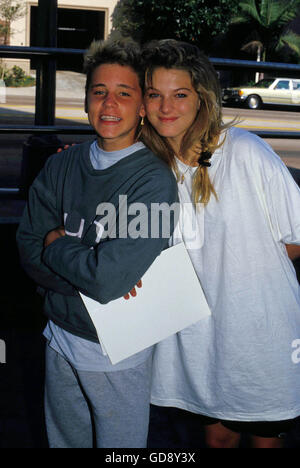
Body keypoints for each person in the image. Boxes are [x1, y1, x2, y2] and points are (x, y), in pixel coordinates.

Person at [16, 39, 178, 448]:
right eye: (99, 92)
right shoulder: (61, 164)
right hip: (59, 336)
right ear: (87, 100)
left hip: (116, 351)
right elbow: (28, 246)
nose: (110, 103)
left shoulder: (153, 182)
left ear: (143, 107)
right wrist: (89, 276)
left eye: (124, 93)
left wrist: (59, 248)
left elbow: (106, 280)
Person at [139, 39, 300, 449]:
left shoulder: (246, 152)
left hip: (257, 334)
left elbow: (295, 238)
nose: (166, 107)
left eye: (180, 95)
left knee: (265, 441)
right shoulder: (147, 166)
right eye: (154, 94)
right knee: (216, 439)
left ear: (202, 99)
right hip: (197, 337)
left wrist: (240, 277)